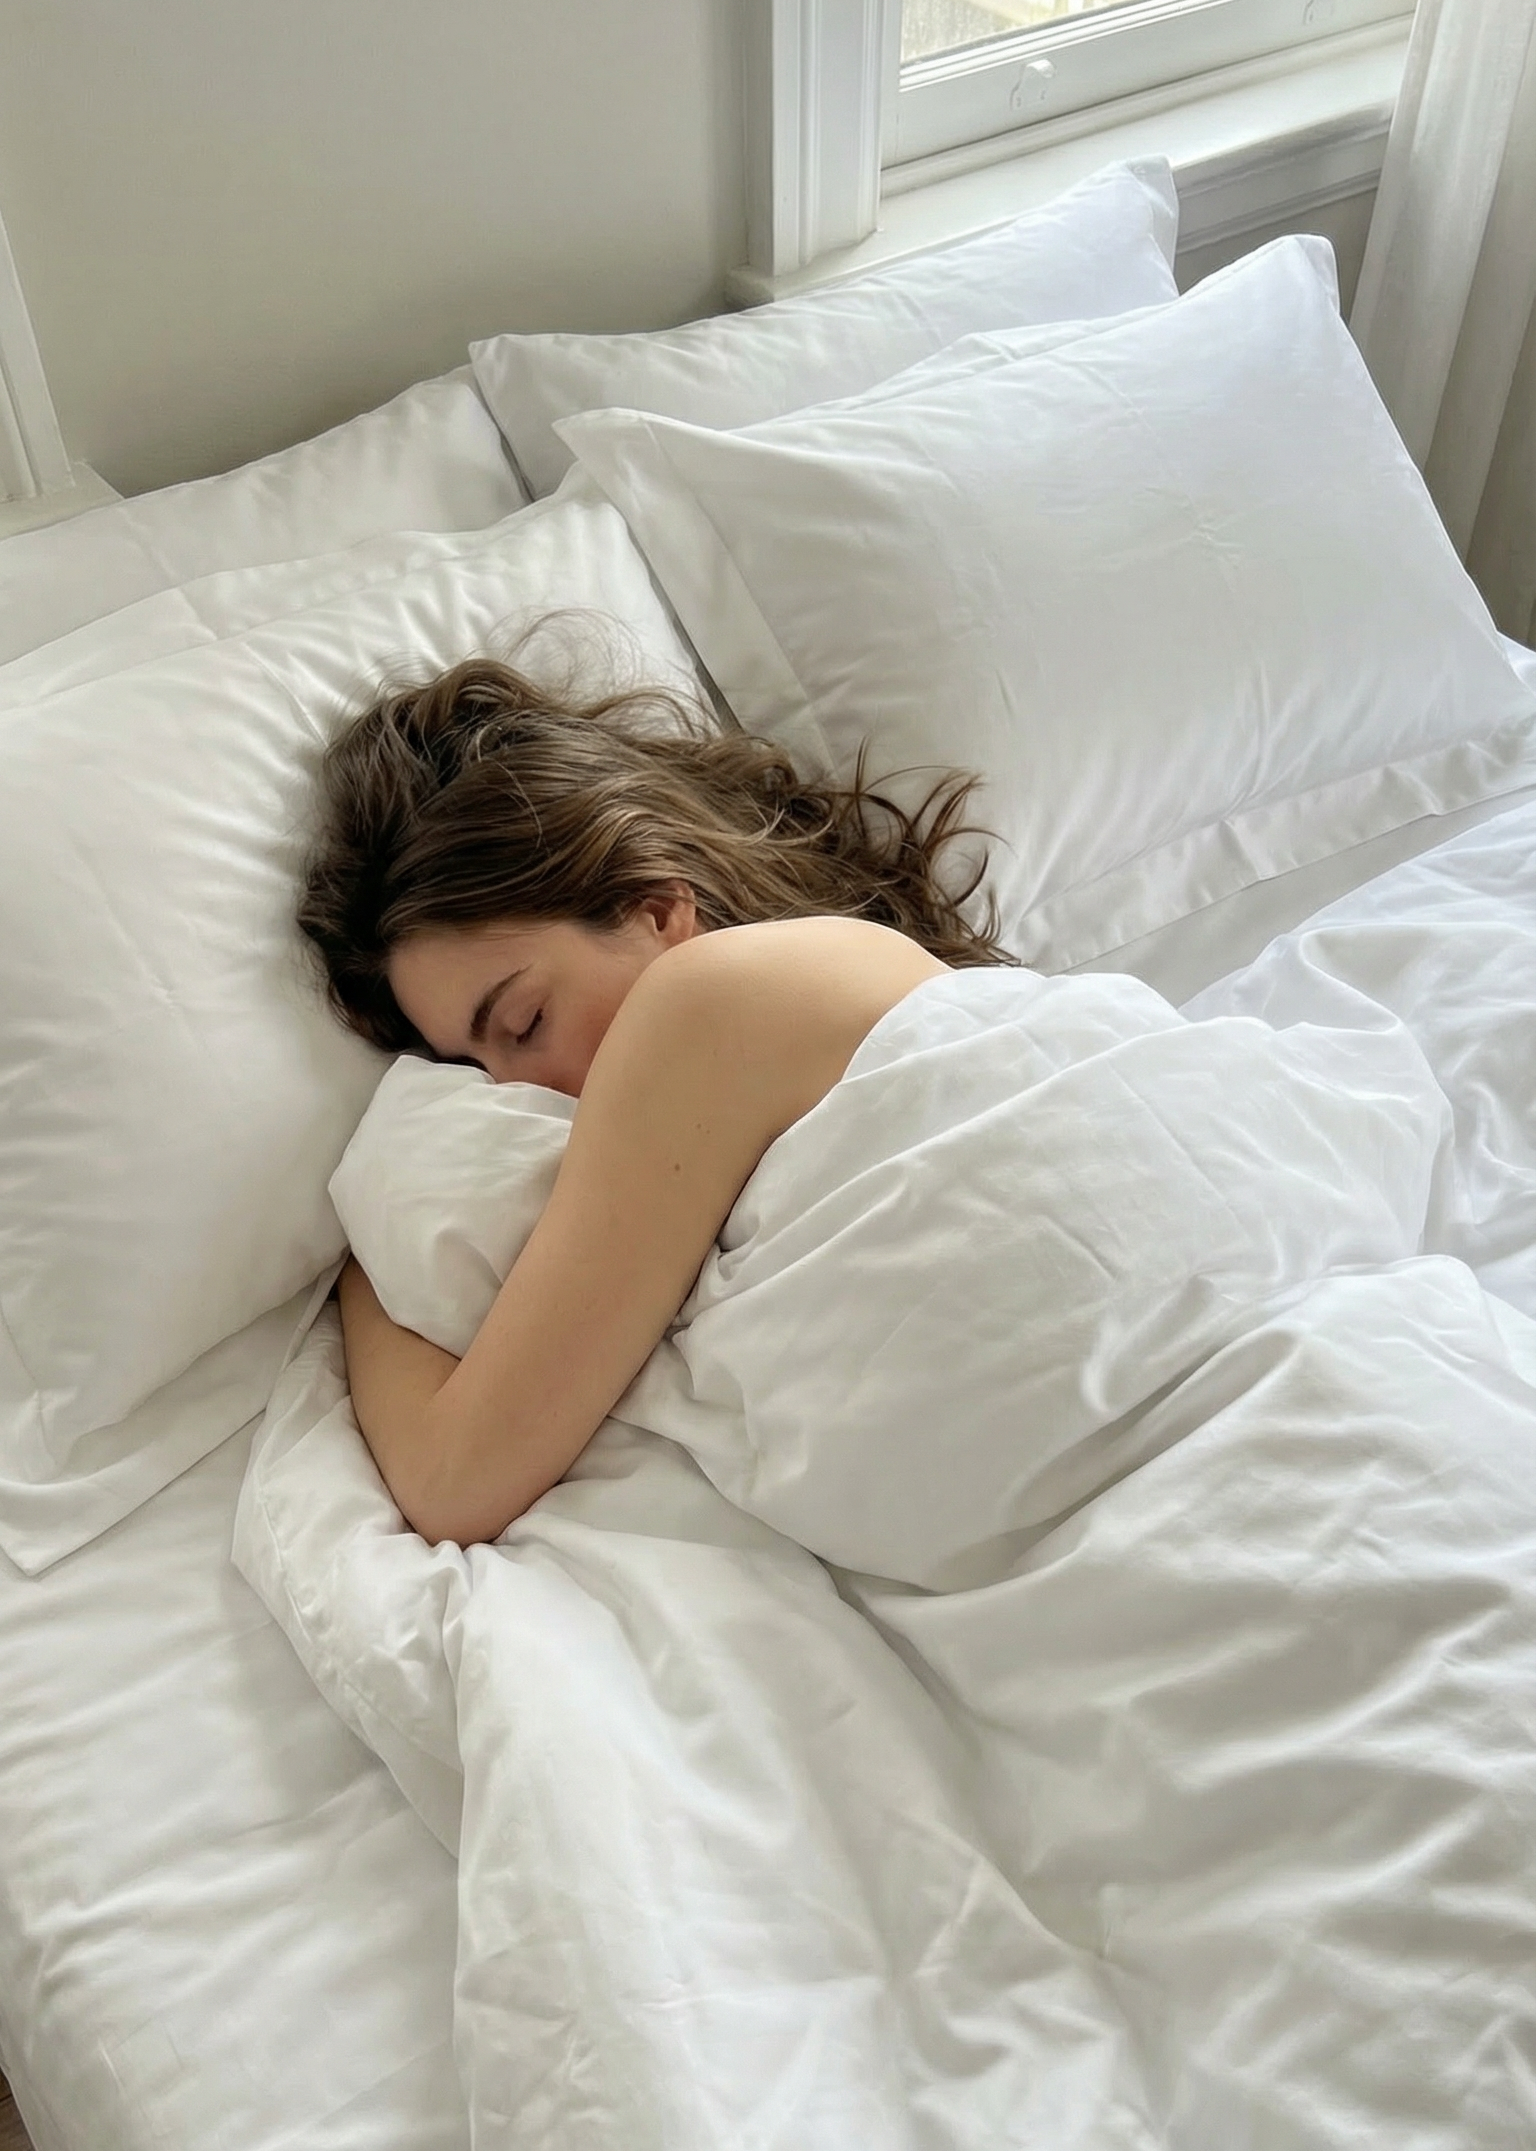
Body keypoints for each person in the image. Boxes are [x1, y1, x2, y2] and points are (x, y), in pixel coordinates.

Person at [299, 643, 1012, 1546]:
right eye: (475, 1072)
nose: (518, 1094)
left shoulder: (713, 1004)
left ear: (656, 905)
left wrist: (359, 1268)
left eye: (522, 1023)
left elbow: (452, 1480)